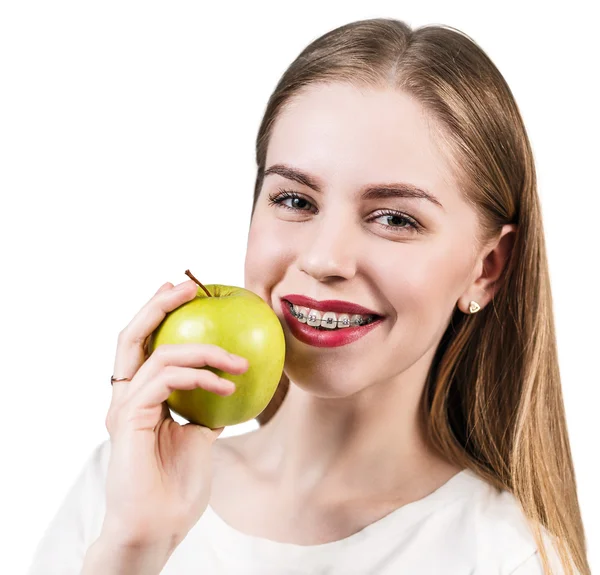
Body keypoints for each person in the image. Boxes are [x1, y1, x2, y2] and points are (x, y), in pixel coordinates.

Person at [27, 17, 590, 575]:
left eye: (394, 218)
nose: (323, 259)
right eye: (295, 201)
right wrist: (132, 550)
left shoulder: (509, 557)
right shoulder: (124, 488)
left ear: (486, 268)